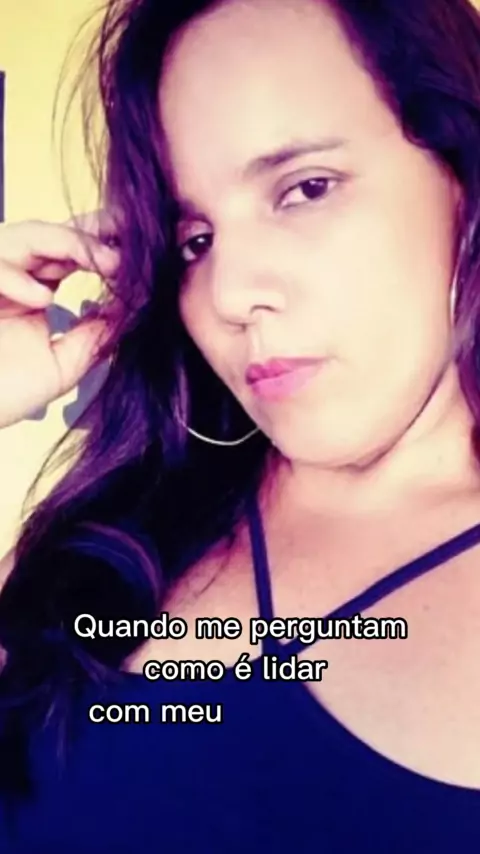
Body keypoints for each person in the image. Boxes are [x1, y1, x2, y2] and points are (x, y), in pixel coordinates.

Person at [1, 0, 480, 849]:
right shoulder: (122, 525)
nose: (227, 294)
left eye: (305, 189)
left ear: (462, 176)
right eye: (195, 239)